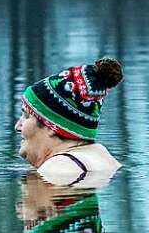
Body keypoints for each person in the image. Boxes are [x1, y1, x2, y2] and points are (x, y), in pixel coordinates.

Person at [15, 57, 123, 185]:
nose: (17, 126)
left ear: (51, 126)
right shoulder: (103, 157)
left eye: (26, 116)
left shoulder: (59, 168)